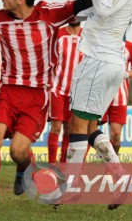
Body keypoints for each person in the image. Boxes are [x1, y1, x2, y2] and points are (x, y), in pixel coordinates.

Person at [0, 0, 96, 213]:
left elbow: (80, 5)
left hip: (37, 97)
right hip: (7, 92)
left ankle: (24, 167)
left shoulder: (48, 16)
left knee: (17, 151)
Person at [65, 0, 132, 186]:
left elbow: (105, 9)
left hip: (98, 61)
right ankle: (120, 177)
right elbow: (83, 15)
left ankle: (67, 188)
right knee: (89, 126)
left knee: (76, 124)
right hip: (110, 63)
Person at [47, 22, 83, 163]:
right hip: (58, 90)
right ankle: (51, 164)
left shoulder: (87, 36)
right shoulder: (58, 34)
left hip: (77, 93)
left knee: (69, 129)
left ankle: (63, 165)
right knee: (56, 127)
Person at [99, 41, 132, 155]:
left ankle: (112, 167)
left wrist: (126, 74)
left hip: (119, 97)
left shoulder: (128, 46)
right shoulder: (100, 41)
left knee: (116, 136)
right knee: (90, 131)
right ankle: (79, 167)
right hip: (99, 96)